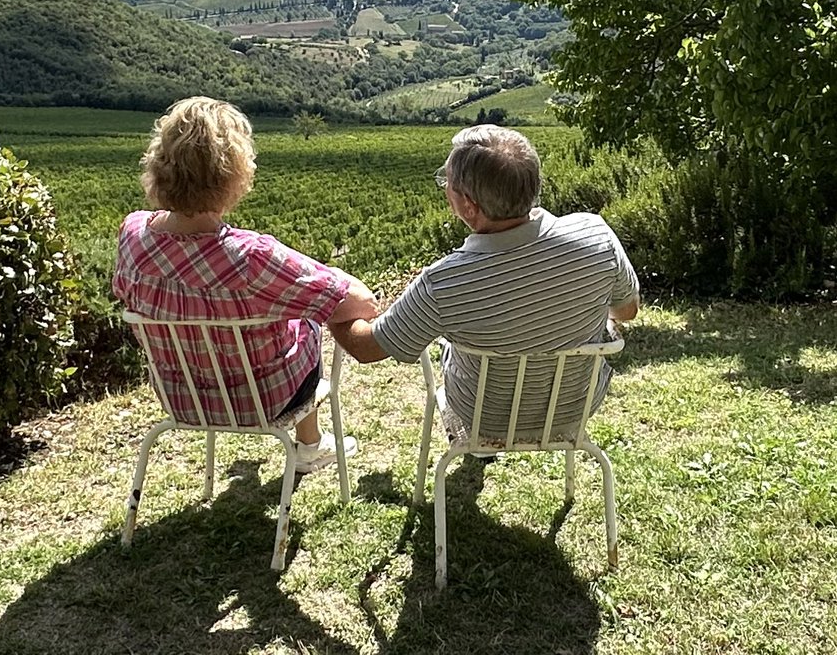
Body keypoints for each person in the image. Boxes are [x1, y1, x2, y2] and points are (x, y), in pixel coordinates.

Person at [113, 96, 378, 473]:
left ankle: (310, 445)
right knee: (306, 320)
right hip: (264, 401)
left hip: (181, 400)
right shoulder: (251, 257)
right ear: (233, 173)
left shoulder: (133, 234)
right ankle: (311, 445)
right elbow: (360, 303)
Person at [330, 124, 639, 440]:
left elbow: (367, 348)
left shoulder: (443, 283)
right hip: (574, 409)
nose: (444, 189)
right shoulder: (596, 236)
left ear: (468, 206)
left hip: (485, 421)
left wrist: (330, 299)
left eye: (446, 183)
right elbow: (627, 310)